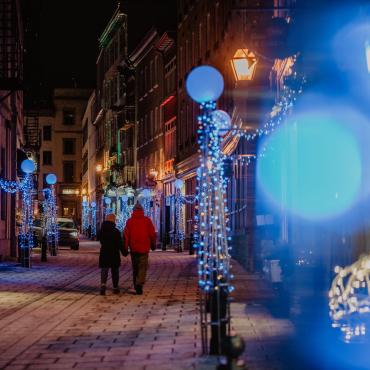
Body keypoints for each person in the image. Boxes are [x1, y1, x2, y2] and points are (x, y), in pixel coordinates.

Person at [123, 202, 156, 295]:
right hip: (144, 247)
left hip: (133, 248)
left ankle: (136, 284)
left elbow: (126, 236)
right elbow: (152, 234)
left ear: (133, 211)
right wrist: (153, 244)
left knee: (135, 267)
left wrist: (125, 247)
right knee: (142, 267)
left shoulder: (129, 221)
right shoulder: (147, 220)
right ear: (142, 211)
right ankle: (139, 284)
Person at [97, 213, 125, 295]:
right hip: (114, 253)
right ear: (113, 220)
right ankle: (115, 287)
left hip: (104, 252)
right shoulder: (116, 231)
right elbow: (120, 243)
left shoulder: (102, 230)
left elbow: (99, 238)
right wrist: (124, 252)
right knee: (115, 270)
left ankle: (103, 286)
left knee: (104, 270)